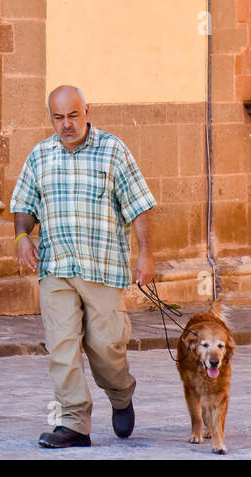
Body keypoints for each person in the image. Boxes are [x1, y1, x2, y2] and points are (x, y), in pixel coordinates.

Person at [11, 84, 157, 448]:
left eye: (73, 115)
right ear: (51, 118)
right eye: (58, 117)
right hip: (56, 267)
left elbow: (139, 206)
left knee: (107, 347)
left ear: (86, 111)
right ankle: (74, 423)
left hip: (103, 267)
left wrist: (146, 255)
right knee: (61, 345)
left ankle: (121, 395)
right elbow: (24, 204)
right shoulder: (40, 155)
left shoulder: (113, 151)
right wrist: (22, 238)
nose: (66, 124)